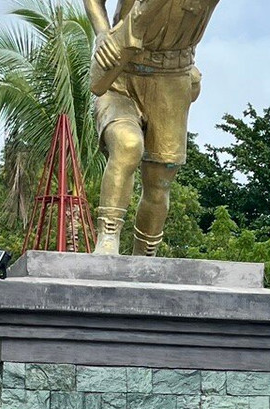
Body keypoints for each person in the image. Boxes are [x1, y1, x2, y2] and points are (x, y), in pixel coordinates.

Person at [84, 0, 220, 256]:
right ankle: (108, 237)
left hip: (173, 78)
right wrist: (102, 33)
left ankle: (145, 254)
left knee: (160, 177)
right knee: (127, 145)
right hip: (121, 70)